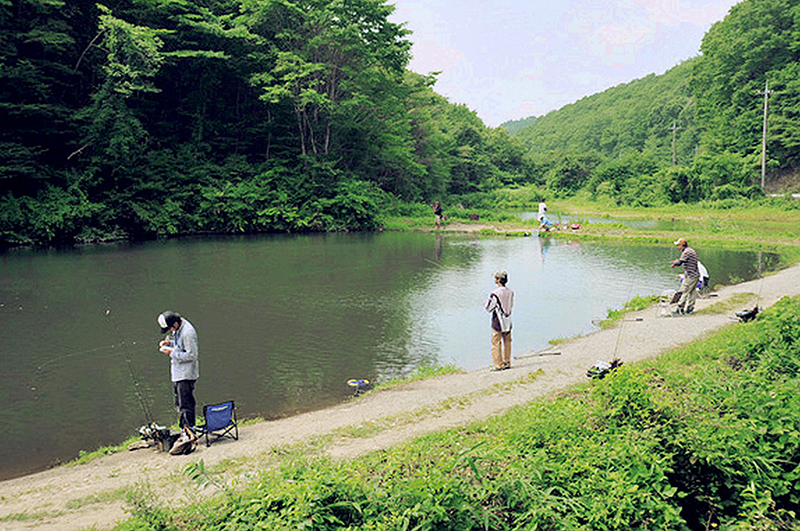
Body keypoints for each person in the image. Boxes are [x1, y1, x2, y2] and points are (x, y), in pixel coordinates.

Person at [157, 311, 199, 453]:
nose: (169, 331)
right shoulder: (177, 328)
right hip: (177, 373)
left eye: (170, 328)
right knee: (178, 403)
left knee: (185, 404)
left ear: (175, 323)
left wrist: (171, 353)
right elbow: (178, 344)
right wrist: (169, 343)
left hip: (186, 374)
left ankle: (189, 432)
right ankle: (184, 429)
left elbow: (192, 355)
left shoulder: (188, 333)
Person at [485, 270, 514, 370]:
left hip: (498, 322)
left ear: (498, 280)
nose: (495, 280)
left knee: (496, 343)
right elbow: (511, 305)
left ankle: (498, 365)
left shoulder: (495, 293)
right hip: (508, 321)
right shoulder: (510, 292)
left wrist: (486, 305)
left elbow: (489, 308)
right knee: (507, 342)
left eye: (496, 278)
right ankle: (507, 362)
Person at [670, 238, 700, 315]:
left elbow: (680, 262)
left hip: (691, 276)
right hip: (695, 275)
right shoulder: (690, 250)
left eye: (678, 245)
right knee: (692, 292)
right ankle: (690, 309)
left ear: (682, 245)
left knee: (684, 291)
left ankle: (680, 309)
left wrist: (675, 263)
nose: (677, 247)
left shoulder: (686, 252)